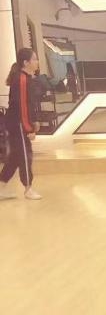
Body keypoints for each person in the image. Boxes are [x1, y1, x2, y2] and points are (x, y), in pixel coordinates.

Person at [0, 48, 43, 201]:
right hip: (17, 122)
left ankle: (1, 185)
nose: (37, 62)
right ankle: (28, 188)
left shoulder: (26, 78)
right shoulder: (22, 79)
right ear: (26, 62)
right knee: (25, 154)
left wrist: (34, 120)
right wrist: (29, 128)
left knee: (16, 156)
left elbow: (29, 104)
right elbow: (22, 107)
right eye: (34, 59)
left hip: (16, 122)